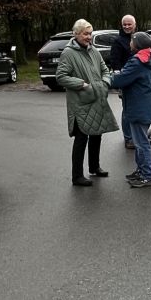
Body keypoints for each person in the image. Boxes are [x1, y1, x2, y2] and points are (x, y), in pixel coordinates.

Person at [56, 19, 119, 186]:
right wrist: (81, 84)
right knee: (81, 138)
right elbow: (61, 77)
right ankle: (77, 176)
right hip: (81, 102)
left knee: (96, 134)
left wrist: (105, 83)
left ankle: (94, 167)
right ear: (76, 34)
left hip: (97, 99)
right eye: (85, 34)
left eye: (90, 33)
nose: (89, 37)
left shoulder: (93, 50)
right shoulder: (68, 53)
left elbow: (105, 69)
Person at [107, 32, 151, 188]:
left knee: (141, 143)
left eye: (132, 41)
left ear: (137, 44)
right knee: (139, 141)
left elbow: (120, 80)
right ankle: (141, 170)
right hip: (146, 105)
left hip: (138, 107)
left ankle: (148, 175)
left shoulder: (137, 62)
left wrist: (107, 77)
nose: (129, 43)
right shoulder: (150, 58)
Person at [111, 14, 137, 149]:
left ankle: (138, 136)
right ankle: (128, 138)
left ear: (135, 25)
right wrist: (120, 80)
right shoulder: (118, 41)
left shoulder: (138, 39)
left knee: (138, 109)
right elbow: (115, 62)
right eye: (124, 24)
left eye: (129, 24)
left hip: (138, 81)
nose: (127, 26)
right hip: (126, 81)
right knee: (127, 110)